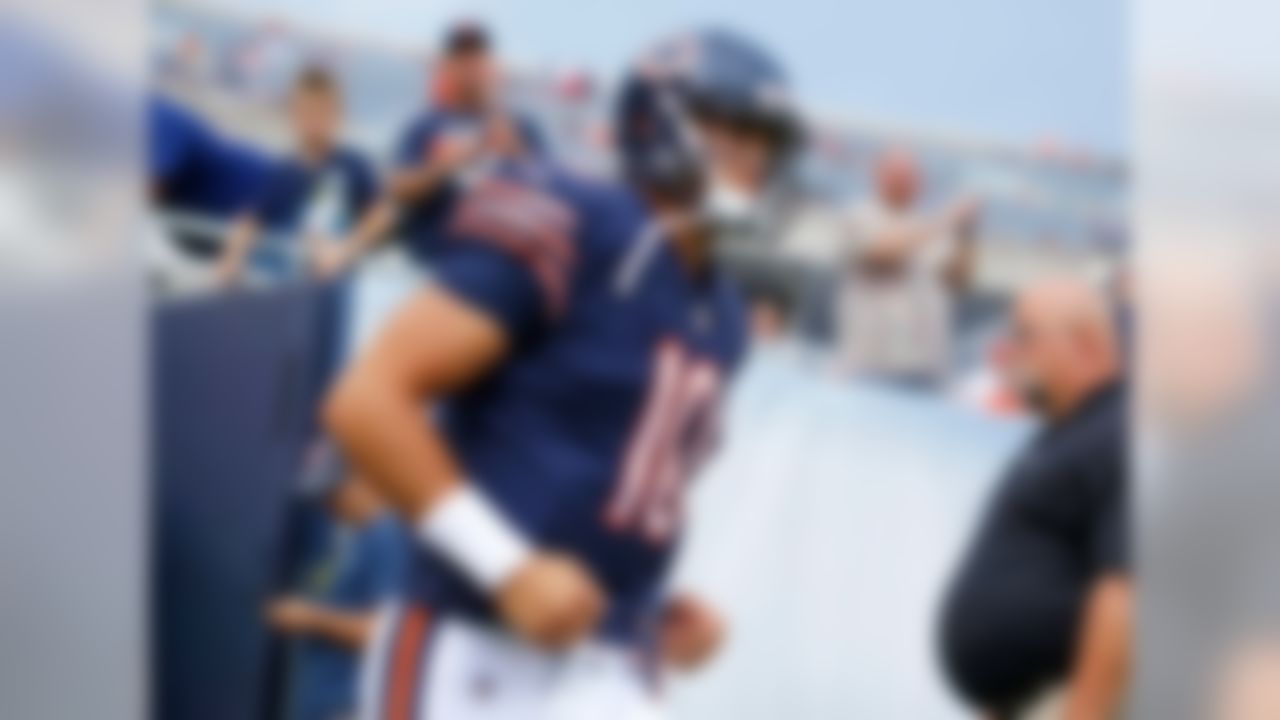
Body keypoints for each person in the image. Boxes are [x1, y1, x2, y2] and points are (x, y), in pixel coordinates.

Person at [323, 28, 801, 719]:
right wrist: (505, 566)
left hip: (611, 660)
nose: (753, 161)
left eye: (765, 141)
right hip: (473, 643)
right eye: (734, 133)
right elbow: (365, 401)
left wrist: (651, 607)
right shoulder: (572, 219)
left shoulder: (723, 312)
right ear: (657, 122)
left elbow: (606, 479)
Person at [939, 276, 1130, 720]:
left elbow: (1125, 592)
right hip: (1026, 699)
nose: (1011, 352)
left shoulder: (1120, 433)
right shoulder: (1077, 430)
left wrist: (1085, 711)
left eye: (1025, 335)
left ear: (1084, 344)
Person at [332, 21, 545, 275]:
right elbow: (396, 189)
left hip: (500, 267)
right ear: (447, 65)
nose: (470, 68)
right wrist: (449, 165)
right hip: (431, 264)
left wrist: (516, 153)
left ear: (490, 65)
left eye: (476, 58)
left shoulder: (520, 126)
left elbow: (553, 190)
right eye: (461, 58)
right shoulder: (425, 125)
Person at [214, 66, 377, 286]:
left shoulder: (353, 165)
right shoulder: (284, 170)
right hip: (286, 279)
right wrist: (231, 258)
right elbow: (252, 218)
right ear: (293, 114)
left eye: (323, 112)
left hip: (334, 279)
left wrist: (346, 248)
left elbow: (379, 215)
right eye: (307, 112)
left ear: (338, 114)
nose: (314, 121)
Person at [267, 469, 410, 720]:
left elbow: (388, 633)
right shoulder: (355, 537)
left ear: (362, 482)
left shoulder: (389, 534)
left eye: (333, 495)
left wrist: (311, 617)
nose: (328, 506)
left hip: (351, 707)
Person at [837, 148, 978, 387]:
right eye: (897, 174)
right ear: (878, 176)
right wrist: (947, 220)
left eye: (911, 176)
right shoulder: (858, 215)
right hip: (871, 368)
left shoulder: (929, 227)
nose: (905, 181)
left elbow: (958, 281)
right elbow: (882, 253)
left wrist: (967, 234)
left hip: (929, 371)